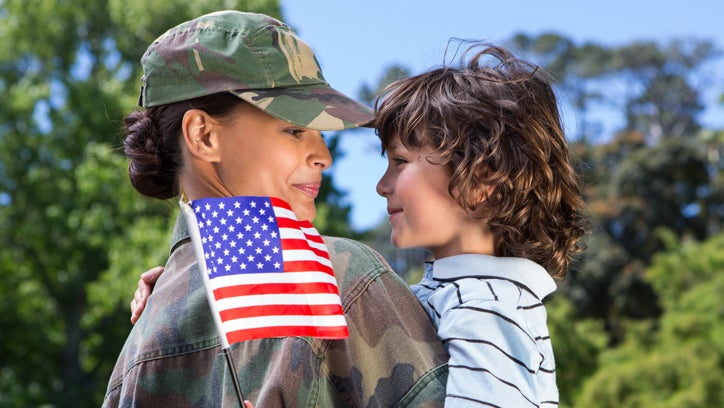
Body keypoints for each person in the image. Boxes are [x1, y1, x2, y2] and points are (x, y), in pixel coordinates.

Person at [103, 10, 448, 408]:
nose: (323, 156)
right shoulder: (341, 278)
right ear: (204, 136)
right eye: (294, 130)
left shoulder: (137, 348)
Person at [373, 43, 587, 406]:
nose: (382, 185)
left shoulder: (485, 309)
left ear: (479, 184)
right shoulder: (464, 297)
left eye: (401, 161)